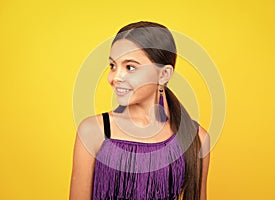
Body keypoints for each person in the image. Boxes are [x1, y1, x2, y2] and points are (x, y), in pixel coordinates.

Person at [70, 21, 210, 200]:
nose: (115, 77)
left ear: (164, 74)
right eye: (113, 66)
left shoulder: (196, 138)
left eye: (130, 67)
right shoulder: (93, 131)